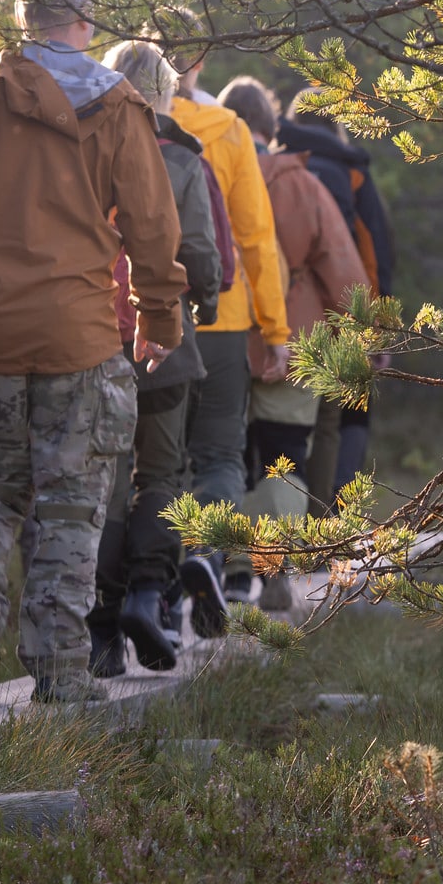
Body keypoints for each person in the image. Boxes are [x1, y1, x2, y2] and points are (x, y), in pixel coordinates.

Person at [0, 0, 186, 704]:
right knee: (69, 501)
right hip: (80, 339)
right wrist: (158, 315)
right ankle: (59, 670)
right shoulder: (121, 106)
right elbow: (154, 227)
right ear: (87, 19)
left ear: (25, 16)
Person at [88, 40, 223, 677]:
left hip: (89, 336)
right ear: (166, 94)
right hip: (163, 339)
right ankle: (147, 594)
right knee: (160, 477)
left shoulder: (79, 148)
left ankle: (102, 631)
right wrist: (207, 298)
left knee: (102, 484)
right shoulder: (182, 160)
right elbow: (198, 252)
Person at [169, 50, 290, 618]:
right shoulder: (231, 131)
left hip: (148, 314)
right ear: (198, 63)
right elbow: (255, 237)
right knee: (218, 455)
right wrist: (274, 327)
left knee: (156, 463)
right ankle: (210, 558)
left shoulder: (120, 117)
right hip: (223, 317)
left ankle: (155, 594)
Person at [218, 76, 366, 495]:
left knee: (224, 452)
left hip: (221, 335)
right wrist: (367, 337)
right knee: (284, 456)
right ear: (271, 127)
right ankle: (276, 555)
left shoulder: (210, 176)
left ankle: (226, 557)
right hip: (297, 340)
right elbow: (340, 264)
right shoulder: (302, 184)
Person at [276, 91, 397, 512]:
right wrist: (376, 330)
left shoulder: (275, 165)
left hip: (277, 315)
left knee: (279, 422)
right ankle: (330, 518)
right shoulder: (353, 175)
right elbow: (374, 256)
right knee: (340, 419)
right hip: (343, 316)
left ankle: (276, 522)